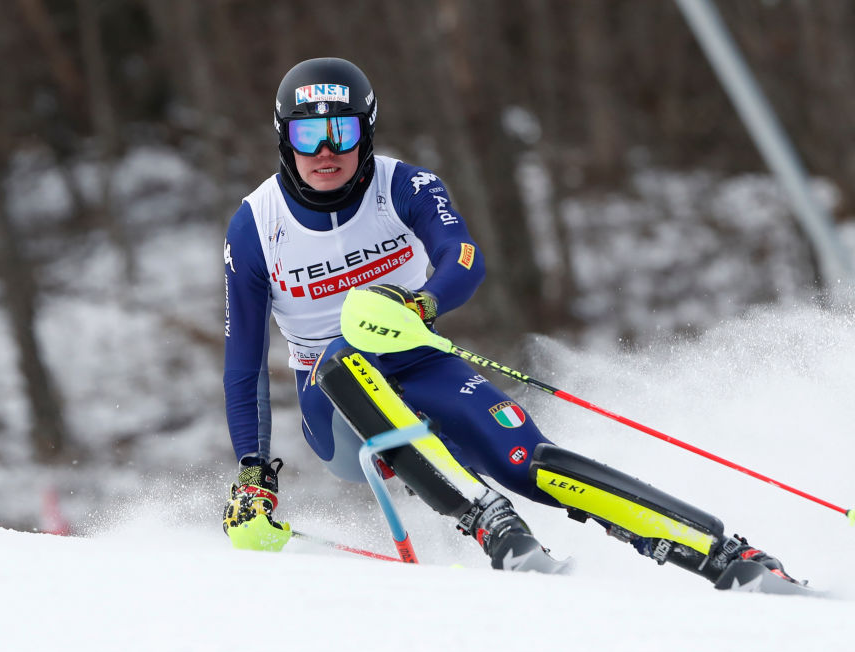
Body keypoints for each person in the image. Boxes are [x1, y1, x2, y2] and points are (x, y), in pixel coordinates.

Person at [221, 57, 800, 585]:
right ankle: (492, 524)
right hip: (335, 398)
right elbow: (244, 363)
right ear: (284, 139)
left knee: (527, 459)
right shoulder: (256, 225)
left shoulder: (406, 186)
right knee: (339, 355)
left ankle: (721, 554)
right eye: (307, 134)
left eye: (342, 132)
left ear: (366, 133)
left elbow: (463, 257)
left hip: (418, 359)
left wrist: (420, 305)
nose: (326, 151)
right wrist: (254, 475)